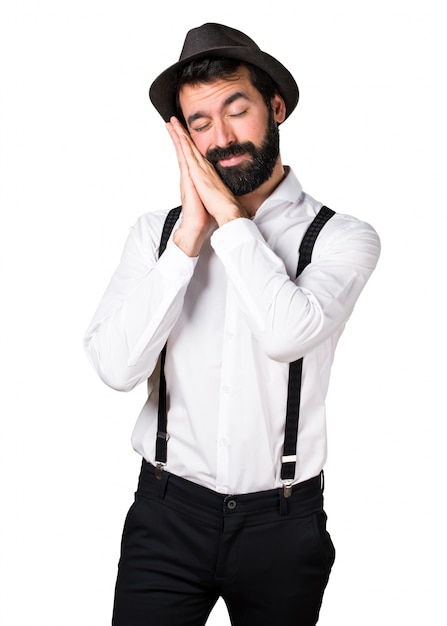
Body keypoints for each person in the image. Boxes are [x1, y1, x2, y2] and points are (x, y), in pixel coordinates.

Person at [84, 22, 380, 626]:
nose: (221, 138)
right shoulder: (158, 235)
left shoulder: (342, 238)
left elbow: (286, 334)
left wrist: (228, 216)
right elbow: (114, 368)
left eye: (236, 110)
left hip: (284, 523)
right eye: (200, 124)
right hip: (166, 515)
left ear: (274, 107)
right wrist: (191, 236)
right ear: (184, 137)